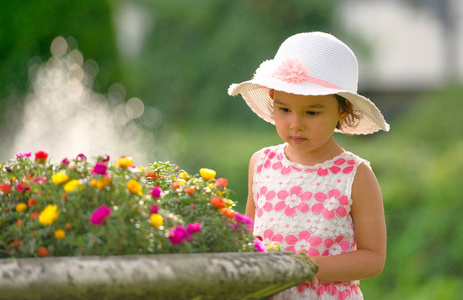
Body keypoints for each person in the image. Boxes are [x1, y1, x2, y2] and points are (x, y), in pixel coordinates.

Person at [228, 32, 389, 299]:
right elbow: (248, 239)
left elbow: (373, 258)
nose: (295, 124)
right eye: (284, 109)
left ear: (343, 110)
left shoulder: (355, 175)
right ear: (272, 99)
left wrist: (310, 266)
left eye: (312, 112)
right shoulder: (261, 163)